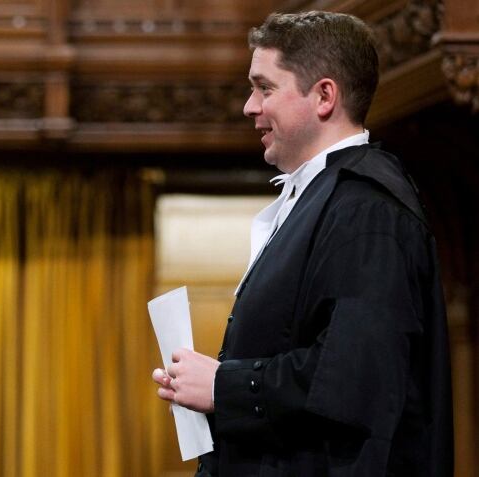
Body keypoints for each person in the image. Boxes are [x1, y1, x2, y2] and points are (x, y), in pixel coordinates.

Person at [152, 11, 453, 476]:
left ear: (324, 96)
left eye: (265, 88)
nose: (249, 107)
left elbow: (354, 381)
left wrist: (223, 387)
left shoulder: (366, 209)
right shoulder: (331, 198)